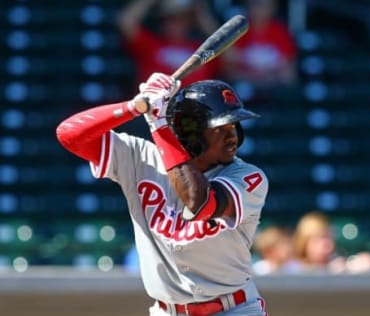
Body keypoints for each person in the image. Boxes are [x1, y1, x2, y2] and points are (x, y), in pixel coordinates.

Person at [56, 72, 269, 315]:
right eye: (219, 129)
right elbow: (70, 134)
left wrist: (158, 124)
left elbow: (200, 202)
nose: (232, 136)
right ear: (191, 134)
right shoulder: (139, 158)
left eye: (234, 126)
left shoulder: (248, 177)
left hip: (234, 308)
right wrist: (134, 106)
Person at [117, 0, 220, 87]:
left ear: (190, 19)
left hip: (196, 106)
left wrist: (202, 16)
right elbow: (126, 23)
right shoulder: (152, 45)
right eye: (167, 18)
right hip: (158, 107)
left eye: (179, 17)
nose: (172, 23)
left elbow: (231, 59)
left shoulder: (203, 48)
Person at [221, 0, 298, 88]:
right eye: (255, 4)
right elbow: (229, 71)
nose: (258, 9)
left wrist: (269, 78)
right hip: (245, 88)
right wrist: (252, 77)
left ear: (273, 8)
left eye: (262, 5)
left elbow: (289, 72)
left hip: (274, 88)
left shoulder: (281, 32)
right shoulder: (237, 31)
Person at [293, 211, 370, 274]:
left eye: (330, 238)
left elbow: (368, 261)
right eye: (321, 238)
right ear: (305, 241)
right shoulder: (292, 269)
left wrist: (349, 265)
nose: (327, 244)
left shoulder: (337, 262)